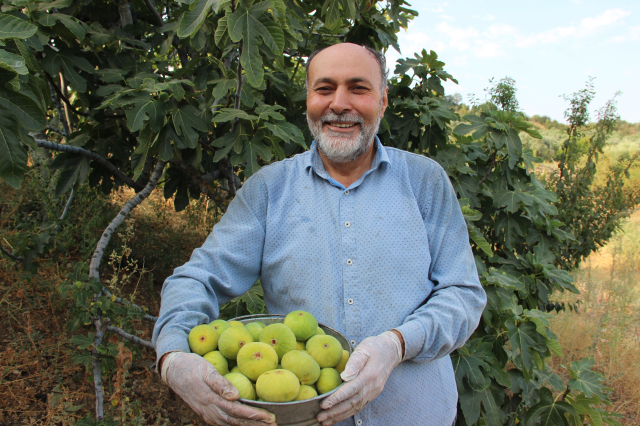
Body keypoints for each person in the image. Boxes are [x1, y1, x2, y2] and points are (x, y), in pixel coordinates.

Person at [152, 43, 486, 426]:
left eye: (358, 88)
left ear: (383, 99)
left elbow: (462, 294)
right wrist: (173, 357)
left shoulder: (425, 181)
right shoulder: (268, 190)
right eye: (324, 88)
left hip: (417, 414)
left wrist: (397, 344)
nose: (339, 103)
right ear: (309, 98)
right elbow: (198, 278)